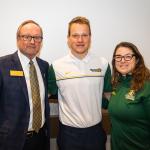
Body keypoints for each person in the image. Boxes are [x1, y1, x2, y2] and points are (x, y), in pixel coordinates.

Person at [48, 16, 112, 150]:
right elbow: (50, 95)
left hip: (96, 132)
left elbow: (107, 96)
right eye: (75, 35)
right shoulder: (56, 66)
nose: (80, 40)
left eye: (84, 35)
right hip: (68, 134)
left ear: (90, 37)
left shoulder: (103, 64)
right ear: (68, 38)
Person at [0, 20, 50, 150]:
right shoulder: (2, 65)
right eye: (27, 37)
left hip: (41, 138)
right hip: (11, 141)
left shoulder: (44, 66)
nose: (32, 41)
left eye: (37, 37)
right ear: (18, 39)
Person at [108, 42, 150, 150]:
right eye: (118, 57)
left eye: (128, 57)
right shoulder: (117, 83)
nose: (122, 60)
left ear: (136, 60)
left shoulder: (147, 86)